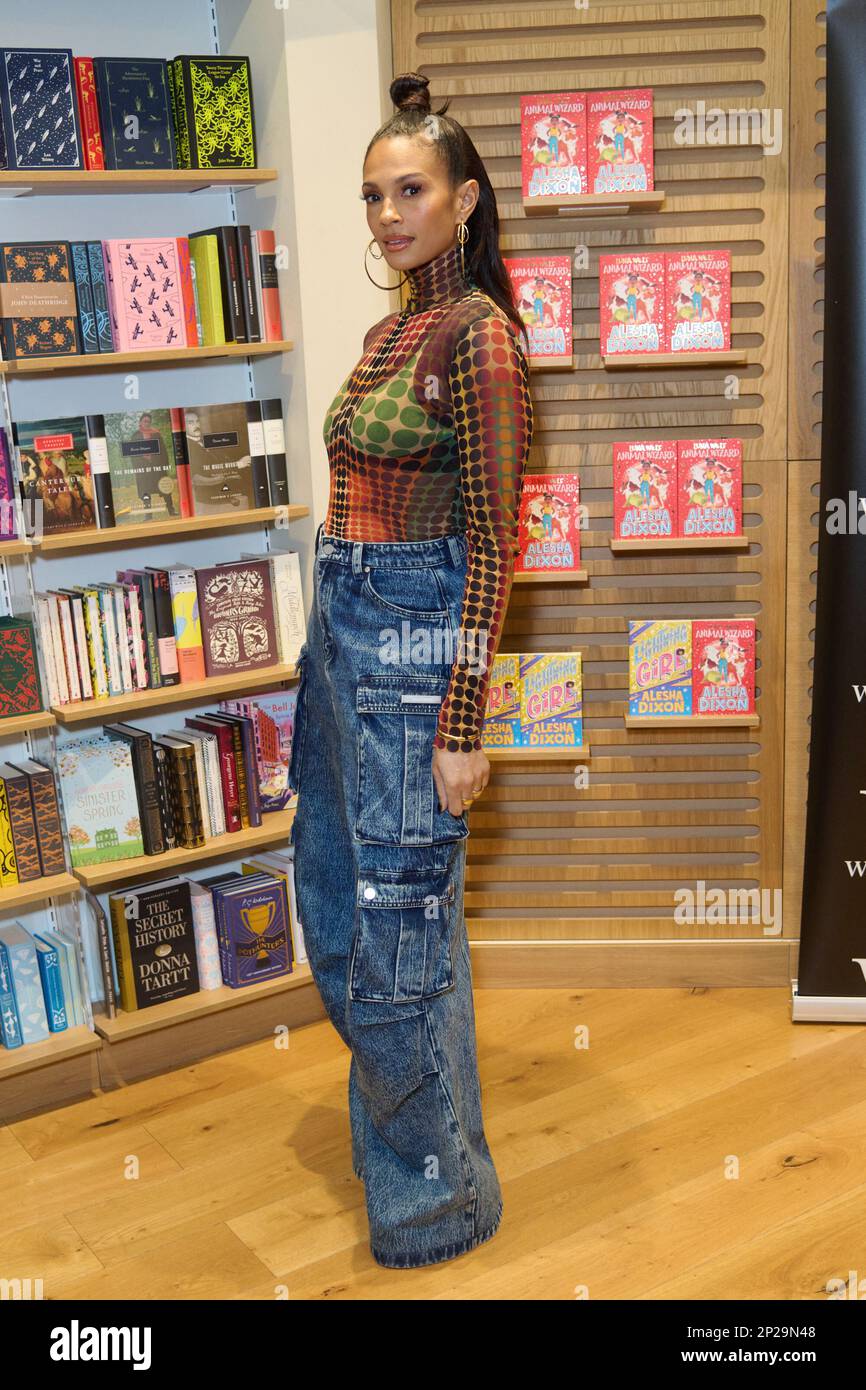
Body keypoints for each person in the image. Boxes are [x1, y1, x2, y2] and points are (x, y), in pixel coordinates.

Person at [287, 70, 533, 1270]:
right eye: (373, 195)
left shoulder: (480, 337)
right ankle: (442, 1155)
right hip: (341, 640)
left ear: (464, 200)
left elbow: (492, 544)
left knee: (390, 945)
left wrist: (462, 723)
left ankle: (437, 1206)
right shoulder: (392, 330)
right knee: (350, 917)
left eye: (411, 191)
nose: (387, 215)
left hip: (411, 651)